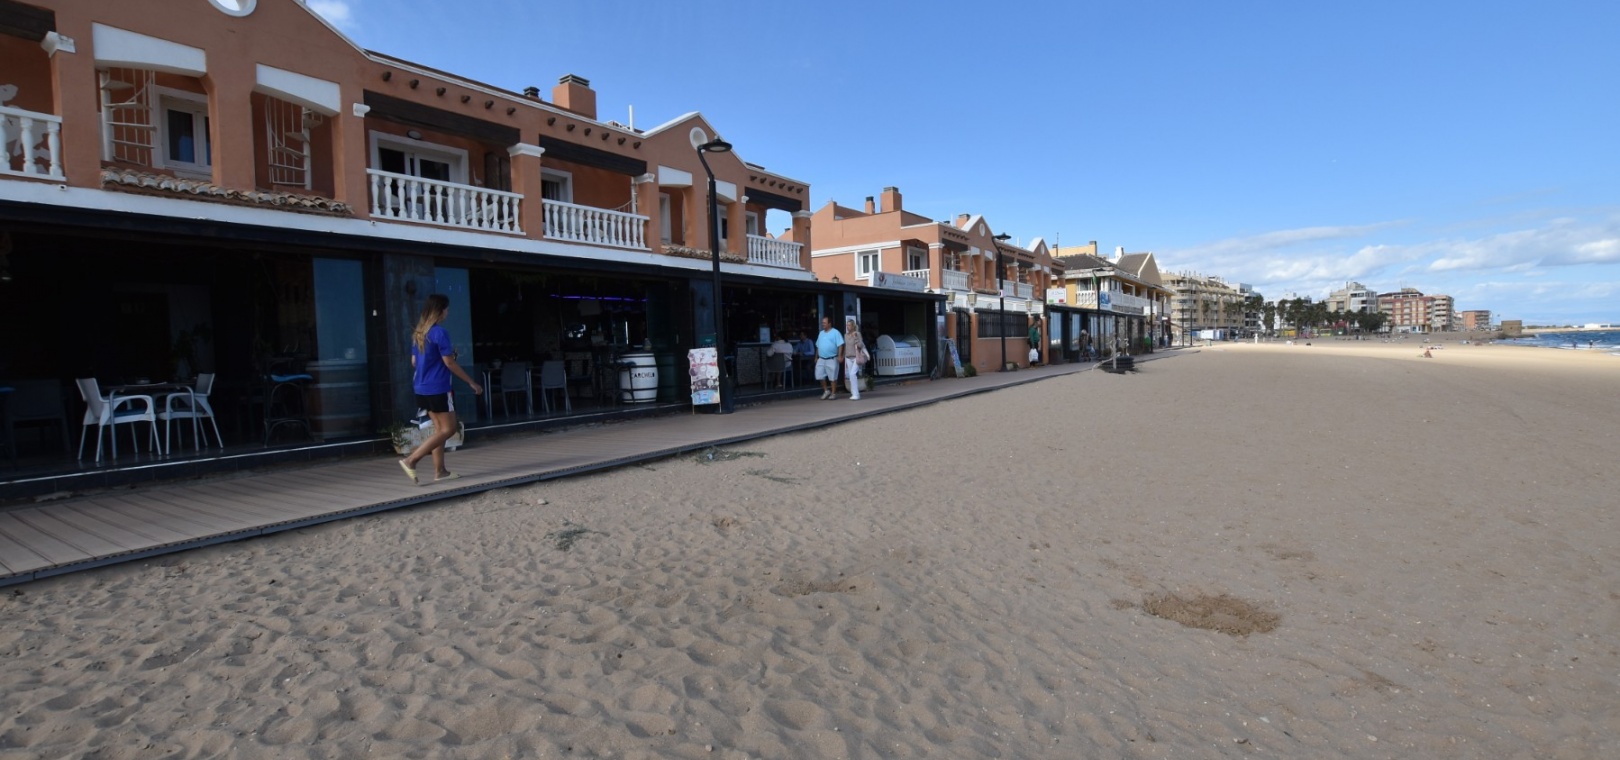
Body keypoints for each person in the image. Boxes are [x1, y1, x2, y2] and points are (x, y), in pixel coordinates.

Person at [398, 294, 482, 485]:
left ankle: (440, 471)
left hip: (421, 388)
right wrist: (472, 382)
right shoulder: (439, 333)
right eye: (447, 309)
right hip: (438, 387)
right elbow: (449, 363)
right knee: (449, 428)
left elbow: (414, 362)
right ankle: (411, 460)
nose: (447, 313)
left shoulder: (419, 333)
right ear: (440, 310)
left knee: (439, 430)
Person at [814, 316, 843, 400]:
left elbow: (840, 345)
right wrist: (816, 356)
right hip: (821, 358)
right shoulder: (821, 333)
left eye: (824, 323)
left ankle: (833, 393)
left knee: (833, 377)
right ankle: (826, 391)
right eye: (822, 323)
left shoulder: (835, 332)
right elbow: (818, 346)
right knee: (819, 375)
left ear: (829, 323)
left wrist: (840, 355)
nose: (822, 324)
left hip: (832, 358)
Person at [842, 317, 867, 400]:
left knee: (853, 374)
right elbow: (845, 346)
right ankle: (854, 393)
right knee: (851, 375)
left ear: (853, 326)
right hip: (848, 357)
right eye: (847, 325)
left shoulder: (857, 334)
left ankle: (856, 394)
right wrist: (844, 355)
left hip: (856, 356)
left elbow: (861, 345)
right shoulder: (845, 335)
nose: (847, 327)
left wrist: (855, 337)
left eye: (849, 325)